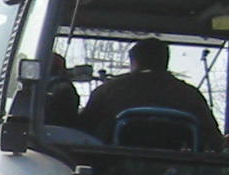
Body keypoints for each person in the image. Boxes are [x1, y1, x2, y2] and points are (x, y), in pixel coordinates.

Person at [79, 37, 222, 149]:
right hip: (175, 169)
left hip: (113, 168)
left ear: (134, 62)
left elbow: (83, 132)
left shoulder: (106, 91)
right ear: (165, 62)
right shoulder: (190, 95)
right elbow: (213, 141)